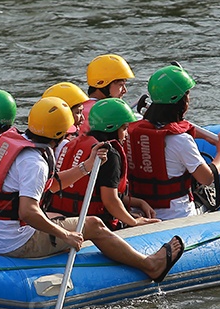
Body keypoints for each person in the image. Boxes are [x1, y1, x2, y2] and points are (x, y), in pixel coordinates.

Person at [0, 96, 184, 282]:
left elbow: (52, 185)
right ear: (58, 133)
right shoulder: (35, 162)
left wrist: (86, 166)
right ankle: (150, 265)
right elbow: (28, 212)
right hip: (16, 244)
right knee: (94, 224)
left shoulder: (17, 143)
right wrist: (65, 234)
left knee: (56, 214)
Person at [125, 63, 220, 221]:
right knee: (210, 196)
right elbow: (207, 178)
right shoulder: (181, 140)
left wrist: (203, 136)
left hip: (141, 211)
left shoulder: (130, 131)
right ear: (181, 101)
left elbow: (160, 135)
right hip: (177, 216)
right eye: (187, 94)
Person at [48, 98, 160, 230]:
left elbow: (99, 192)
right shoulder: (108, 154)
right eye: (124, 128)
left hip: (61, 219)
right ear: (112, 127)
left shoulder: (73, 143)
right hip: (91, 224)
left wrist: (139, 202)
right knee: (146, 220)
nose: (126, 135)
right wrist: (134, 222)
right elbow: (110, 201)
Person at [74, 54, 136, 133]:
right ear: (103, 84)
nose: (125, 90)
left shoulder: (78, 110)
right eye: (121, 85)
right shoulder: (108, 114)